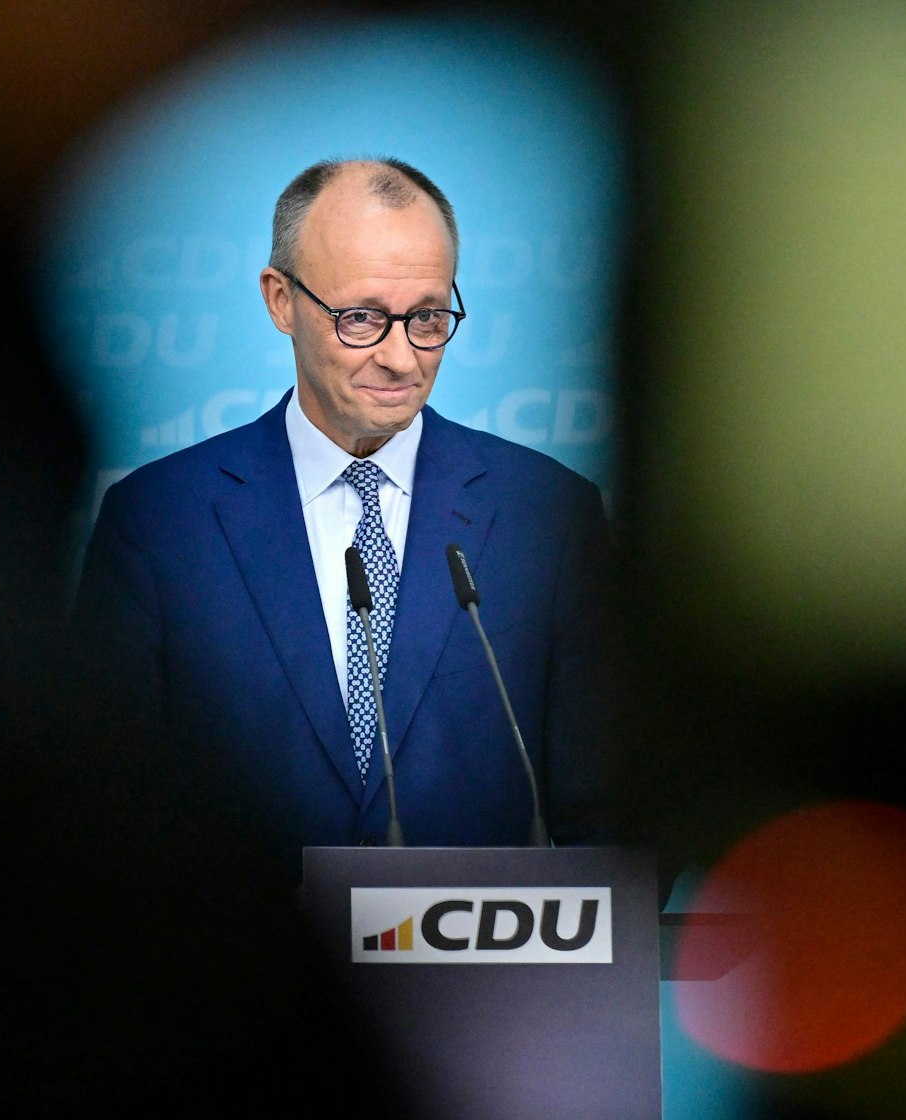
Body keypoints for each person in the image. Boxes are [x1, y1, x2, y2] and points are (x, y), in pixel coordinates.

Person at [74, 158, 609, 855]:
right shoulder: (157, 521)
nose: (401, 357)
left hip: (482, 959)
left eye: (427, 316)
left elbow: (609, 813)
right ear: (280, 300)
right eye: (361, 318)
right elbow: (100, 807)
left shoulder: (551, 515)